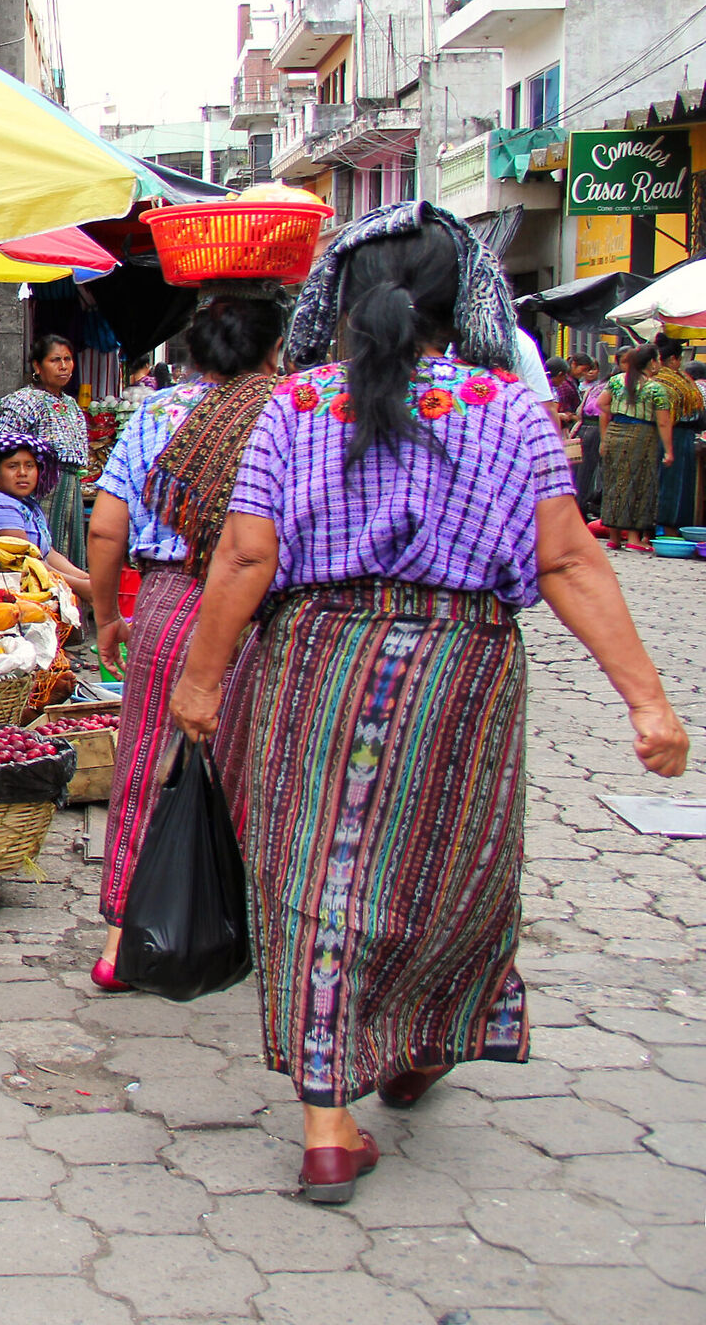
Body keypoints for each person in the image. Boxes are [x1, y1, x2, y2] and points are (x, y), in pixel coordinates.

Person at [169, 201, 688, 1205]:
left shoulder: (301, 403)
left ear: (347, 302)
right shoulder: (506, 409)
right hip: (465, 664)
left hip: (320, 656)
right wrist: (649, 704)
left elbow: (244, 552)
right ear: (466, 302)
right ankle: (419, 1043)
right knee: (456, 868)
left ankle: (327, 1121)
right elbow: (569, 556)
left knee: (316, 872)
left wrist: (200, 680)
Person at [85, 287, 289, 993]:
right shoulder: (292, 411)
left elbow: (107, 527)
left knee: (148, 761)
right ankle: (235, 930)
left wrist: (109, 615)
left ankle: (122, 940)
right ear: (273, 352)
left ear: (195, 353)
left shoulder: (159, 412)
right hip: (269, 609)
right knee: (257, 771)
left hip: (172, 602)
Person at [0, 334, 93, 570]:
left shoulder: (71, 404)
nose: (63, 366)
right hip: (40, 490)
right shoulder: (23, 401)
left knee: (69, 552)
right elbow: (2, 446)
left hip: (70, 489)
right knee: (41, 554)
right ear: (37, 366)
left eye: (68, 359)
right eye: (55, 360)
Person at [0, 429, 91, 602]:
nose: (23, 472)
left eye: (29, 466)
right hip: (1, 598)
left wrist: (85, 579)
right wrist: (81, 587)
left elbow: (47, 553)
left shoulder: (25, 503)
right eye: (12, 466)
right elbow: (26, 563)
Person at [597, 343, 671, 549]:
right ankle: (633, 538)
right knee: (639, 482)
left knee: (614, 483)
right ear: (652, 362)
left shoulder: (616, 381)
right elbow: (663, 422)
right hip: (642, 435)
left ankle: (614, 538)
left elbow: (601, 404)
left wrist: (621, 410)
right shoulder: (655, 388)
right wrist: (669, 450)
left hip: (615, 431)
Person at [652, 334, 705, 529]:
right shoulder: (665, 380)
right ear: (674, 359)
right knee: (671, 483)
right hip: (671, 435)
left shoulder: (678, 378)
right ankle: (667, 527)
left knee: (674, 483)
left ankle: (666, 527)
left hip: (679, 435)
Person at [574, 353, 607, 515]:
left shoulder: (595, 387)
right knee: (591, 472)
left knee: (581, 472)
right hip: (596, 431)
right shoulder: (610, 387)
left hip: (583, 429)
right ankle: (582, 508)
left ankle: (580, 506)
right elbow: (603, 412)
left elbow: (579, 412)